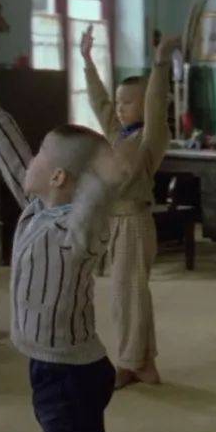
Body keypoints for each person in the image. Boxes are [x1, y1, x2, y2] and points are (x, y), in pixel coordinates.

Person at [0, 41, 178, 432]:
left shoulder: (76, 231)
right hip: (50, 367)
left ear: (60, 176)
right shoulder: (36, 209)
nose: (30, 162)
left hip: (69, 376)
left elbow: (91, 204)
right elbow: (12, 158)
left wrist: (105, 177)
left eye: (41, 157)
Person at [81, 25, 173, 388]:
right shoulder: (117, 133)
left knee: (129, 293)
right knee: (126, 295)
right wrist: (87, 61)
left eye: (128, 102)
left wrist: (160, 64)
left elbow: (156, 104)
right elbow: (100, 102)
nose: (120, 108)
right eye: (119, 102)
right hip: (113, 221)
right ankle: (140, 360)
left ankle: (131, 362)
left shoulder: (151, 138)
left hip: (134, 221)